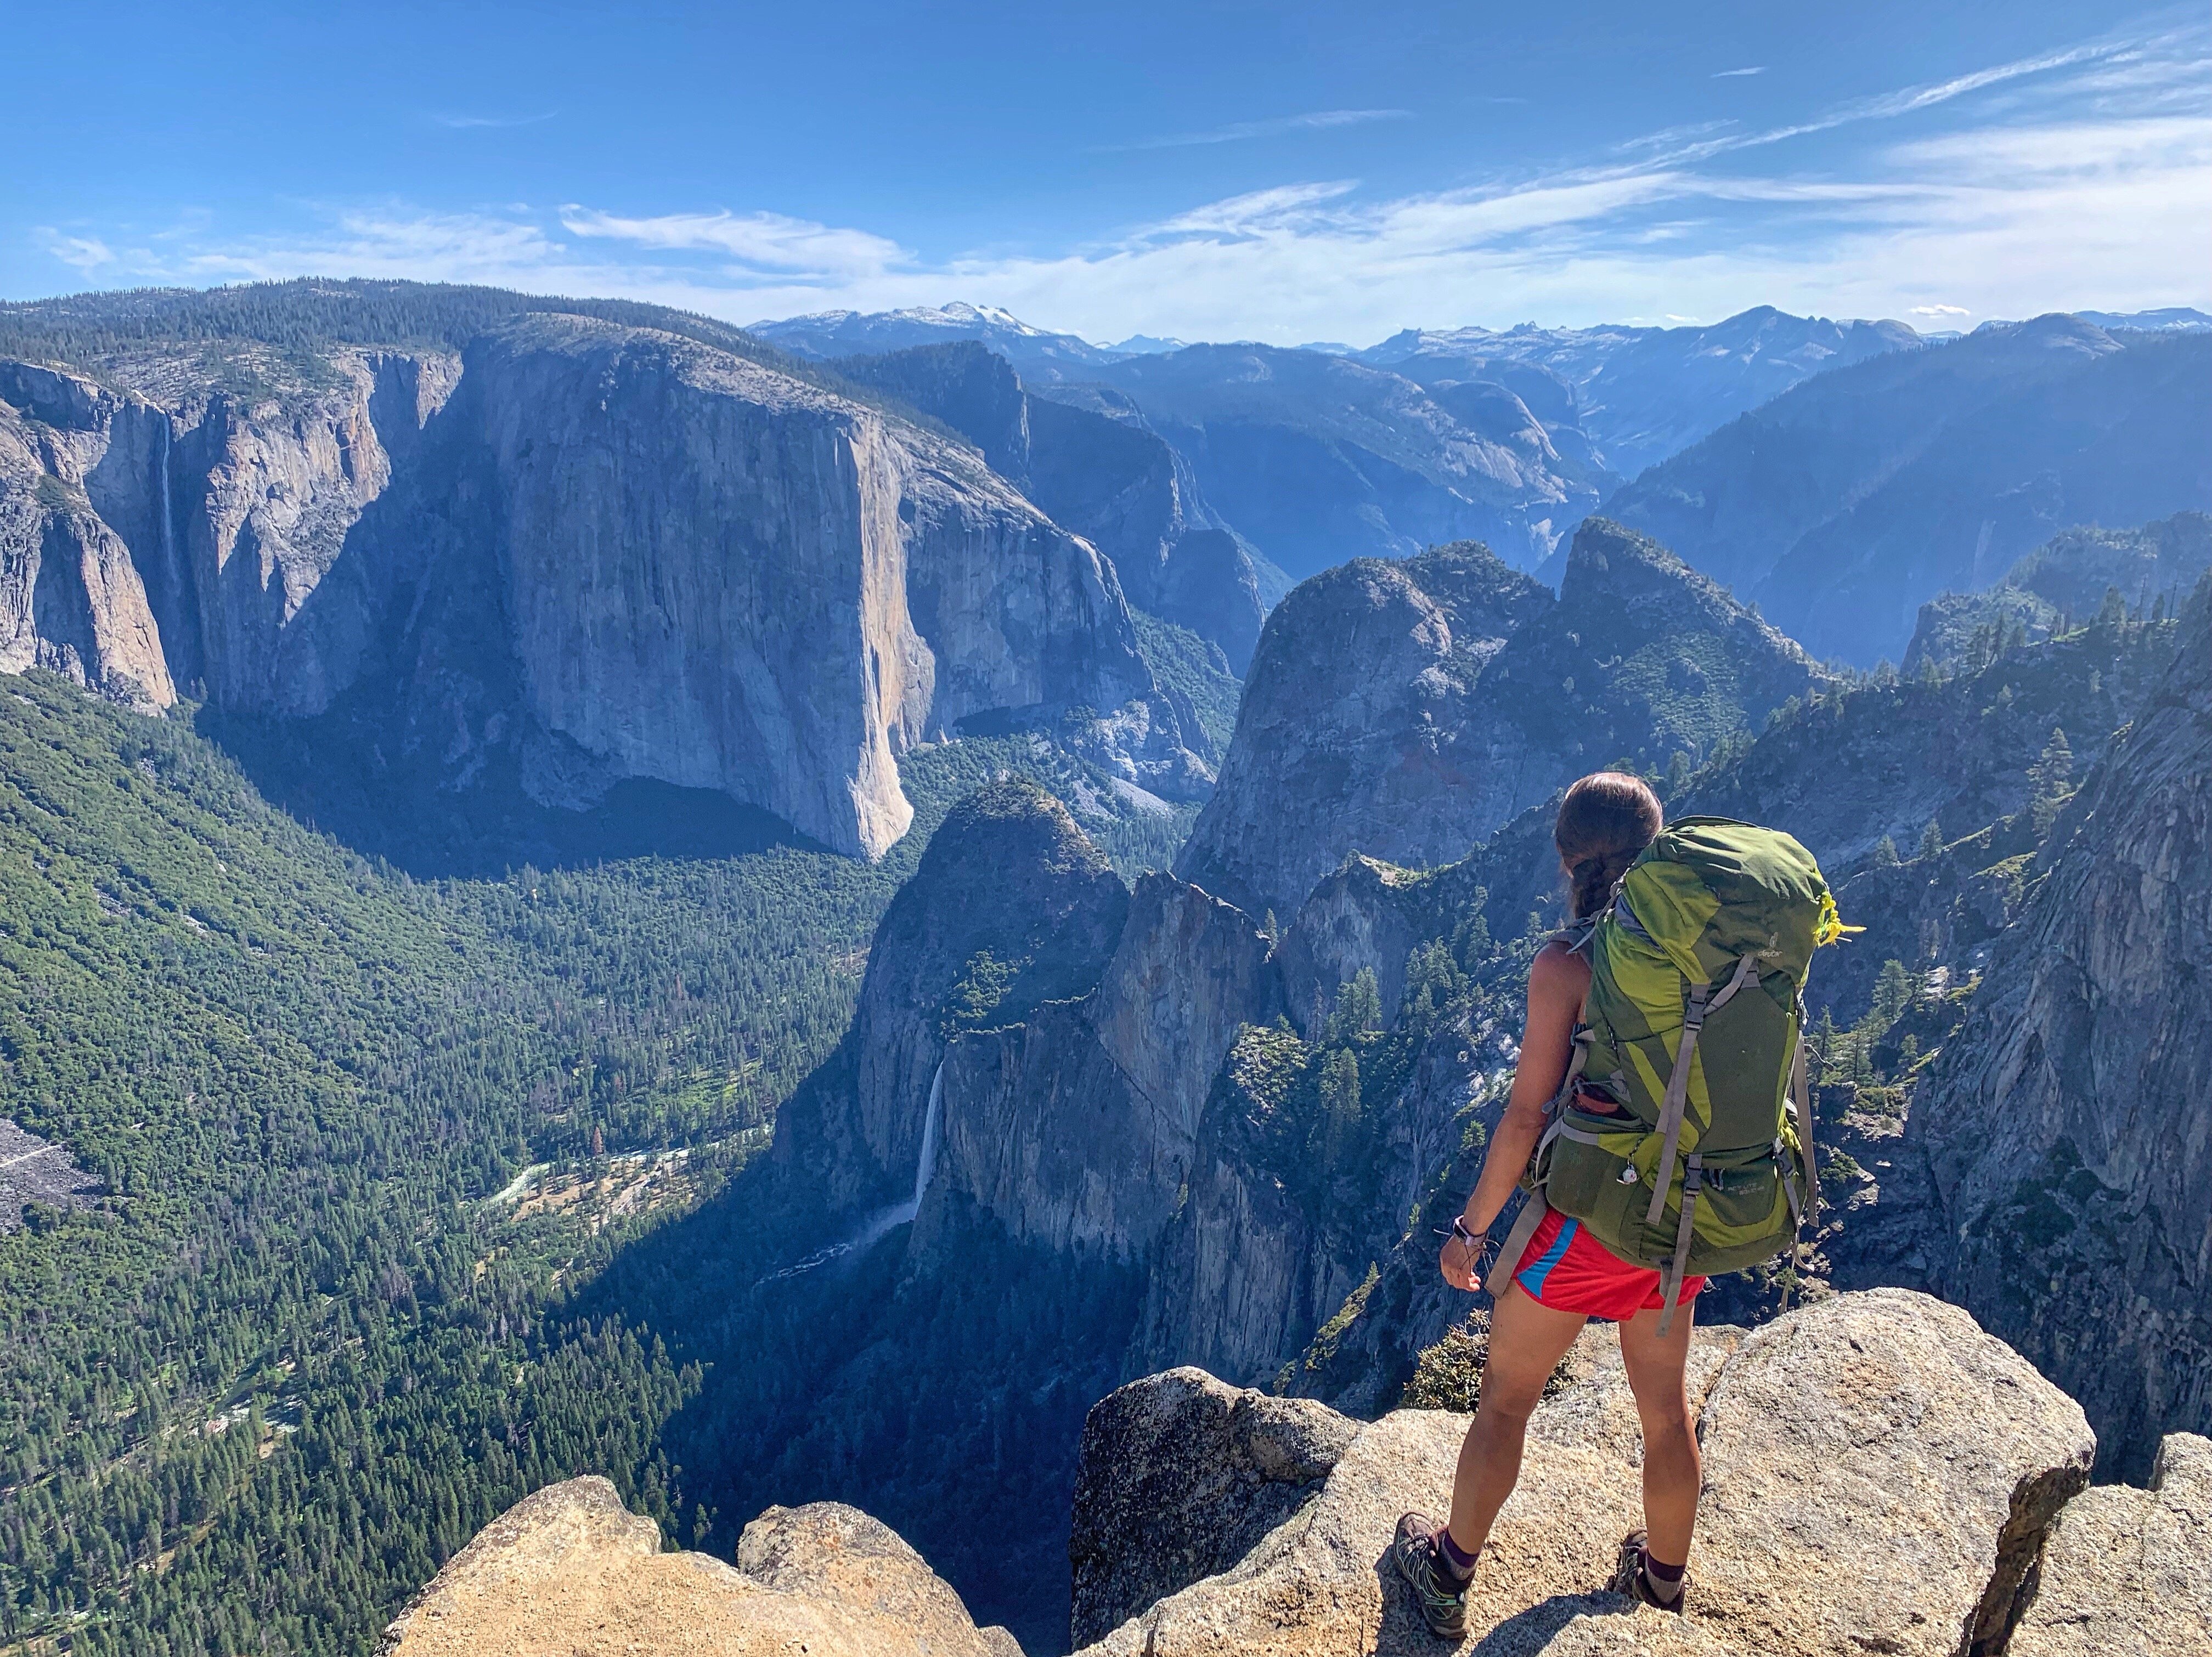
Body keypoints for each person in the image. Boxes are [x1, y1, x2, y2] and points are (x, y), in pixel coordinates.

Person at [1392, 771, 1696, 1641]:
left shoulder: (1568, 965)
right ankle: (1663, 1584)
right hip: (1679, 1222)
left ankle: (1448, 1574)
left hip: (1585, 1226)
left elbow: (1526, 1117)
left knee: (1505, 1402)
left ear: (1568, 861)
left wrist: (1470, 1233)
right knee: (1665, 1410)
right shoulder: (1707, 950)